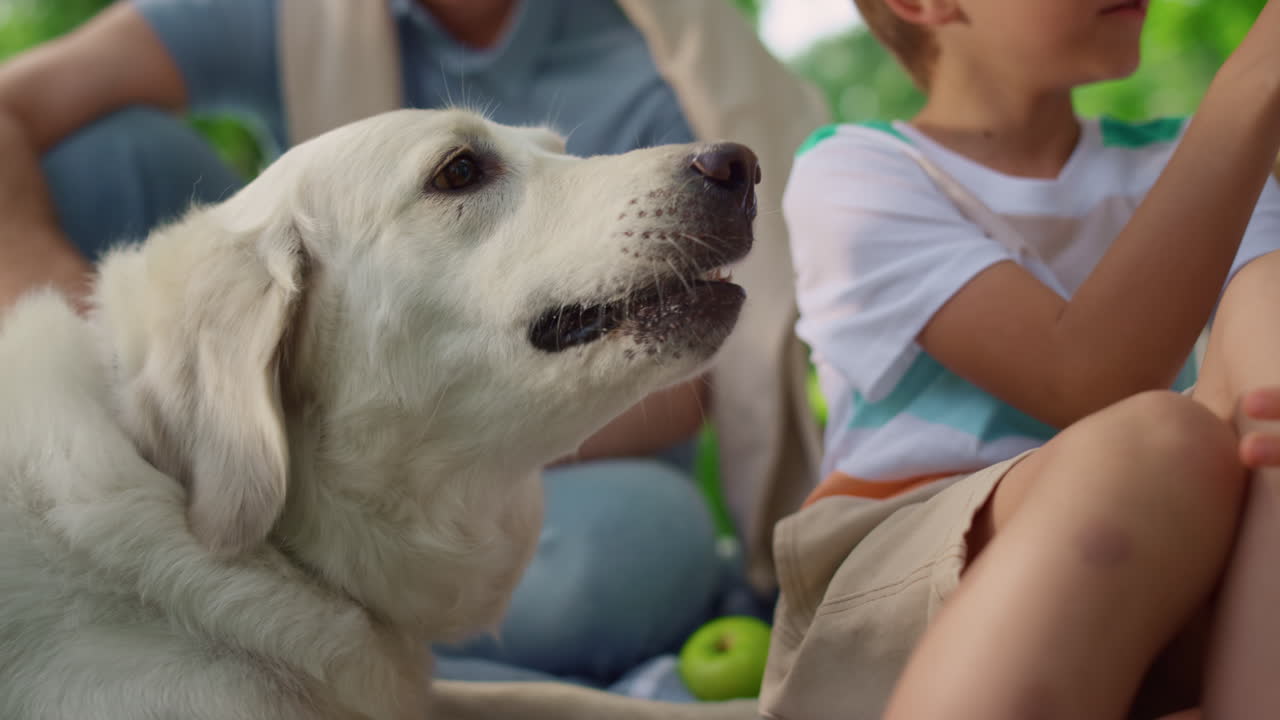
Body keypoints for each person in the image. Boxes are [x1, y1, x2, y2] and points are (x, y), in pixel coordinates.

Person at [0, 0, 776, 700]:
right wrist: (105, 332)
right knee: (110, 147)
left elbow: (699, 397)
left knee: (653, 537)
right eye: (462, 173)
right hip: (238, 417)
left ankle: (401, 659)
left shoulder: (665, 51)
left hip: (512, 478)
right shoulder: (292, 14)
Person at [760, 0, 1280, 717]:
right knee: (1161, 441)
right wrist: (1256, 77)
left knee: (1268, 301)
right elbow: (1085, 379)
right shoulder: (854, 169)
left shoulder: (1185, 154)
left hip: (1178, 560)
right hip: (910, 569)